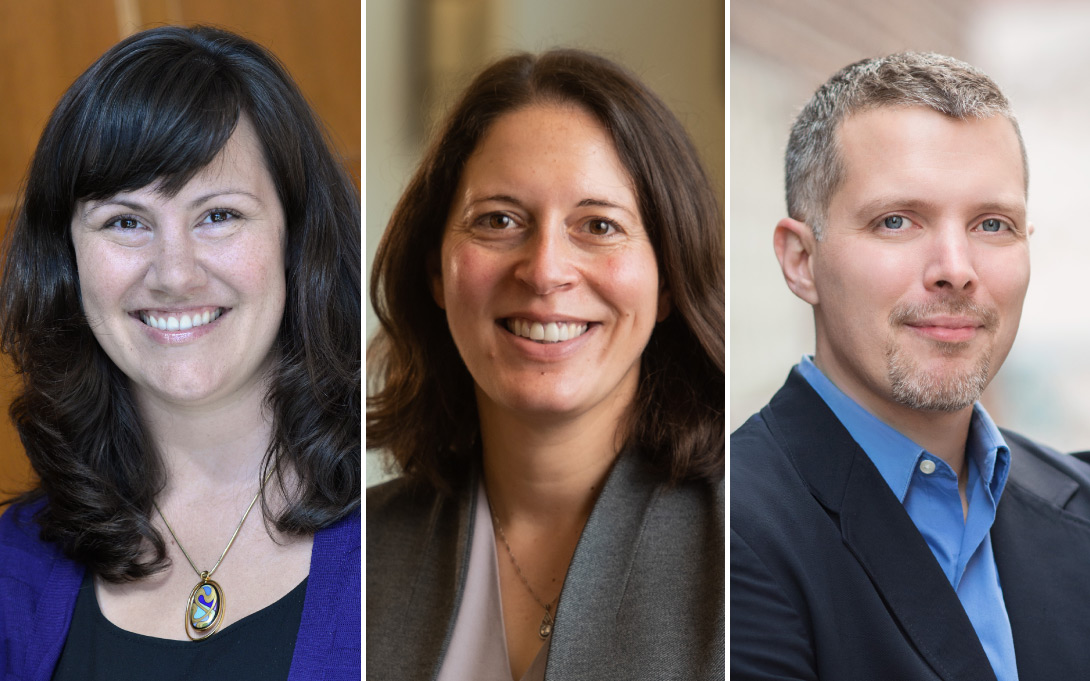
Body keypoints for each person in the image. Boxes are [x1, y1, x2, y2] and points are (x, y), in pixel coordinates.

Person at [0, 26, 360, 680]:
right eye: (125, 221)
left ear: (296, 238)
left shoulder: (402, 537)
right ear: (68, 261)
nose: (174, 272)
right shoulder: (12, 567)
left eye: (217, 214)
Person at [731, 52, 1090, 680]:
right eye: (896, 221)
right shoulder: (722, 529)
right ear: (799, 260)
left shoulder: (1079, 504)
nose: (956, 267)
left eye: (992, 223)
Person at [367, 49, 724, 681]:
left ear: (667, 278)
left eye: (598, 225)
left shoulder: (749, 543)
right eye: (499, 220)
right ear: (435, 272)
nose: (545, 271)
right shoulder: (355, 553)